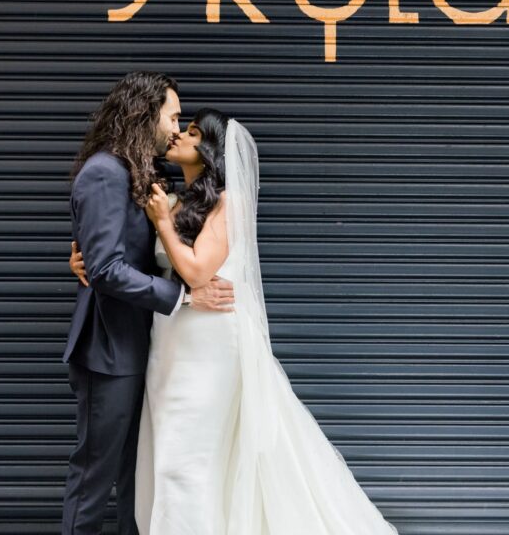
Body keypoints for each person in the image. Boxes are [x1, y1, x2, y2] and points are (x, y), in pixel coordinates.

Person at [71, 109, 398, 534]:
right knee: (166, 450)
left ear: (209, 151)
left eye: (190, 132)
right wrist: (84, 260)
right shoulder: (172, 199)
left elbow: (197, 272)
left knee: (190, 459)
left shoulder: (228, 203)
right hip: (169, 340)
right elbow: (121, 254)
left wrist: (164, 224)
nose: (178, 135)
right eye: (178, 123)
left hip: (208, 344)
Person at [61, 72, 235, 535]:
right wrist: (182, 294)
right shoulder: (104, 171)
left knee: (135, 481)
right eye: (173, 116)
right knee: (94, 480)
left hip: (143, 349)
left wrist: (85, 259)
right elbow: (105, 268)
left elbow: (115, 251)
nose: (176, 128)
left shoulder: (139, 173)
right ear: (145, 113)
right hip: (109, 352)